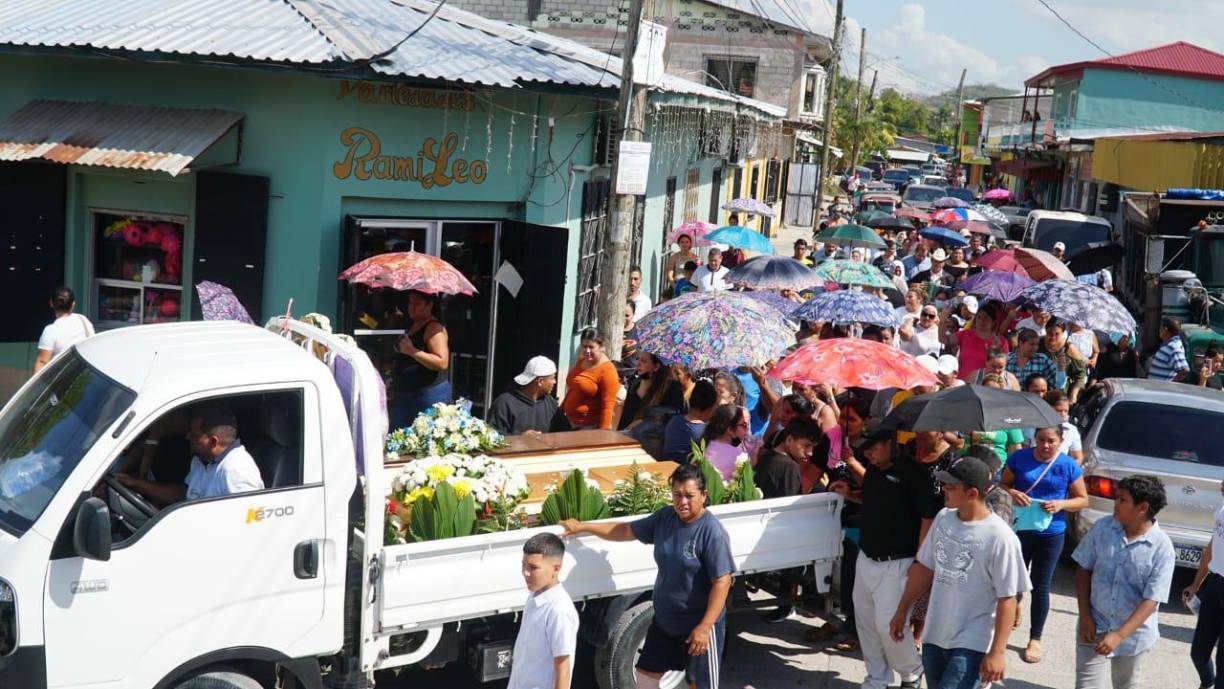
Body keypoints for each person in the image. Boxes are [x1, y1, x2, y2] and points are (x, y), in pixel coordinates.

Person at [561, 464, 734, 689]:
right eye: (677, 494)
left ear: (704, 495)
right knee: (645, 675)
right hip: (664, 621)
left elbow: (722, 581)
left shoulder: (711, 532)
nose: (682, 502)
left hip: (697, 626)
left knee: (698, 685)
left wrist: (704, 626)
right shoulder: (665, 518)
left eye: (689, 496)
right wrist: (584, 527)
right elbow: (625, 530)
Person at [889, 455, 1030, 689]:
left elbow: (1008, 598)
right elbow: (924, 568)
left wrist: (997, 652)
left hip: (972, 644)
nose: (944, 489)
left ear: (972, 493)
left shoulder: (1000, 537)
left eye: (951, 486)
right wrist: (902, 610)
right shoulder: (943, 518)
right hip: (935, 635)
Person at [829, 421, 940, 689]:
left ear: (889, 443)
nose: (867, 453)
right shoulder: (874, 470)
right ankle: (877, 678)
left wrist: (920, 561)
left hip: (899, 562)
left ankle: (911, 672)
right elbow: (871, 498)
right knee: (866, 624)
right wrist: (850, 494)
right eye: (864, 449)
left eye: (872, 448)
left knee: (888, 625)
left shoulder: (915, 474)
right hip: (866, 557)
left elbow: (927, 518)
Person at [1072, 475, 1174, 689]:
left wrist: (1119, 635)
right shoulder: (1103, 528)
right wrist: (1085, 615)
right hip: (1094, 625)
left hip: (1133, 636)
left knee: (1125, 684)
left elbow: (1152, 599)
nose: (1115, 503)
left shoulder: (1162, 548)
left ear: (1142, 508)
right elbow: (1084, 568)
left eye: (1123, 500)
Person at [1001, 425, 1089, 664]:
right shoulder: (1019, 458)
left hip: (1051, 533)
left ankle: (1035, 638)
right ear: (1034, 439)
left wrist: (1061, 504)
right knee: (1012, 582)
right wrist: (1012, 493)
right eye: (1041, 440)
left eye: (1051, 441)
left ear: (1061, 441)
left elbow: (1082, 500)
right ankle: (1008, 620)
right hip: (1019, 530)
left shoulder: (1067, 465)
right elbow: (1002, 485)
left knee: (1040, 586)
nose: (1045, 445)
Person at [117, 405, 264, 506]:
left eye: (194, 435)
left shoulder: (236, 471)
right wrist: (135, 484)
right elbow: (185, 494)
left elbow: (245, 522)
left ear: (213, 441)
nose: (187, 437)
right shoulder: (201, 460)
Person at [755, 415, 825, 623]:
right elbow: (791, 507)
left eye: (812, 447)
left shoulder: (767, 457)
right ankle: (790, 604)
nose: (809, 453)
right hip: (780, 535)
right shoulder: (789, 467)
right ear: (789, 440)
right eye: (806, 446)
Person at [508, 533, 579, 689]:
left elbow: (563, 668)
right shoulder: (533, 597)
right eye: (523, 565)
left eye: (533, 567)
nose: (525, 572)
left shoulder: (558, 610)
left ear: (556, 568)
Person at [391, 290, 451, 429]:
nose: (411, 308)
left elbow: (442, 362)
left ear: (429, 305)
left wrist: (411, 351)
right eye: (410, 303)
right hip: (406, 393)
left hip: (427, 394)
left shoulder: (434, 328)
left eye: (417, 304)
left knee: (425, 436)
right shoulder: (411, 323)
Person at [1185, 479, 1224, 689]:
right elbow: (1212, 546)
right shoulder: (1222, 509)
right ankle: (1207, 682)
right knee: (1198, 653)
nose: (1222, 483)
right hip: (1215, 586)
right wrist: (1196, 584)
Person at [487, 356, 566, 436]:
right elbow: (491, 436)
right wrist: (520, 438)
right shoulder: (504, 403)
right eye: (552, 378)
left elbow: (565, 431)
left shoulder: (550, 402)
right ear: (540, 381)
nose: (554, 382)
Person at [560, 329, 620, 430]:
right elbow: (573, 388)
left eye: (591, 347)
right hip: (569, 421)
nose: (587, 351)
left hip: (588, 427)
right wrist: (561, 410)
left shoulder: (608, 370)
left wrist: (602, 433)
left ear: (601, 347)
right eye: (584, 346)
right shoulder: (581, 360)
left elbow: (608, 407)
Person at [33, 286, 94, 373]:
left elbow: (42, 361)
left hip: (62, 377)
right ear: (73, 305)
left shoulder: (50, 330)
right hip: (84, 375)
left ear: (51, 303)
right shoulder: (83, 320)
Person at [618, 352, 685, 431]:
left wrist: (643, 421)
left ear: (656, 366)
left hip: (649, 436)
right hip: (624, 434)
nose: (638, 364)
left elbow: (673, 417)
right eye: (637, 359)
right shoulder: (634, 382)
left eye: (643, 361)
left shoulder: (672, 388)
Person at [661, 380, 718, 462]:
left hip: (666, 467)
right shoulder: (705, 432)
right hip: (687, 469)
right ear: (709, 408)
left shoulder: (673, 421)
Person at [954, 301, 1008, 380]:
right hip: (963, 382)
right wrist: (942, 321)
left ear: (993, 322)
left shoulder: (1001, 342)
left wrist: (996, 349)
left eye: (986, 318)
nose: (982, 321)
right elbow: (944, 340)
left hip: (985, 383)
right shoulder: (965, 334)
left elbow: (1002, 366)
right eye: (979, 317)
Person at [700, 405, 750, 480]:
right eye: (743, 425)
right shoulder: (740, 457)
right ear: (730, 430)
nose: (747, 429)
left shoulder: (702, 445)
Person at [1041, 318, 1087, 392]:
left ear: (1062, 333)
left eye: (1057, 334)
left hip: (1059, 390)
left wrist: (1074, 393)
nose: (1053, 337)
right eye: (1050, 333)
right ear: (1046, 331)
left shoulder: (1069, 348)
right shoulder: (1037, 343)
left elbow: (1080, 374)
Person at [1045, 389, 1084, 462]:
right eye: (1059, 410)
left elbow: (1078, 458)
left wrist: (1066, 468)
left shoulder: (1071, 430)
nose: (1063, 414)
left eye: (1066, 411)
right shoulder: (1034, 426)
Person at [1148, 317, 1190, 382]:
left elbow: (1185, 370)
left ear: (1165, 330)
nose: (1159, 330)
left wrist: (1170, 384)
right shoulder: (1168, 345)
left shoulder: (1174, 347)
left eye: (1160, 328)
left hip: (1161, 388)